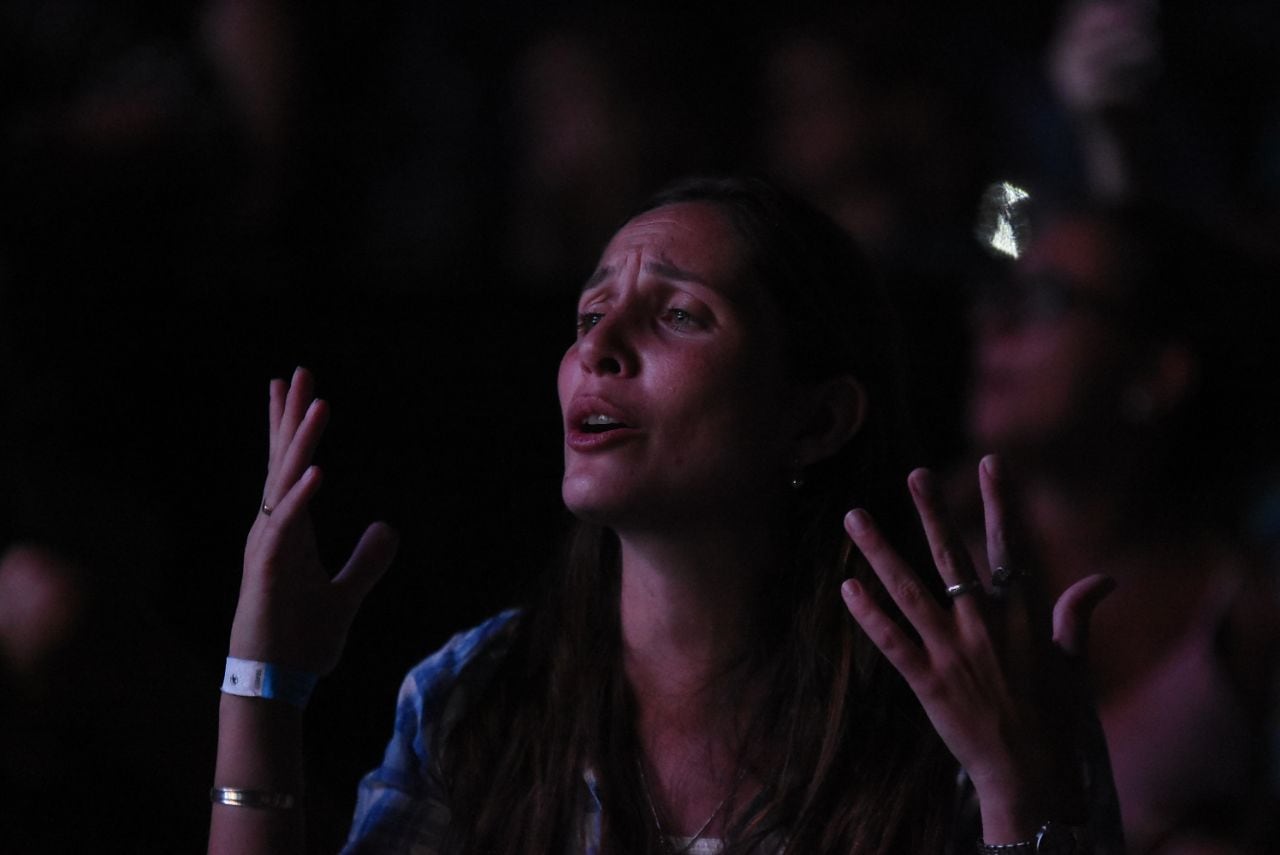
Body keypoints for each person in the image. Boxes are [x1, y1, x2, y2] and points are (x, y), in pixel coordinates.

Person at [209, 177, 1119, 854]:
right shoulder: (477, 695)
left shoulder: (959, 708)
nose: (597, 347)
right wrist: (260, 682)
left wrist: (1015, 786)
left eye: (679, 314)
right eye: (590, 312)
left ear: (815, 419)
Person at [963, 199, 1278, 853]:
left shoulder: (1248, 610)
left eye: (1048, 298)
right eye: (1004, 291)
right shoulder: (918, 569)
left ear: (1157, 372)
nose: (996, 320)